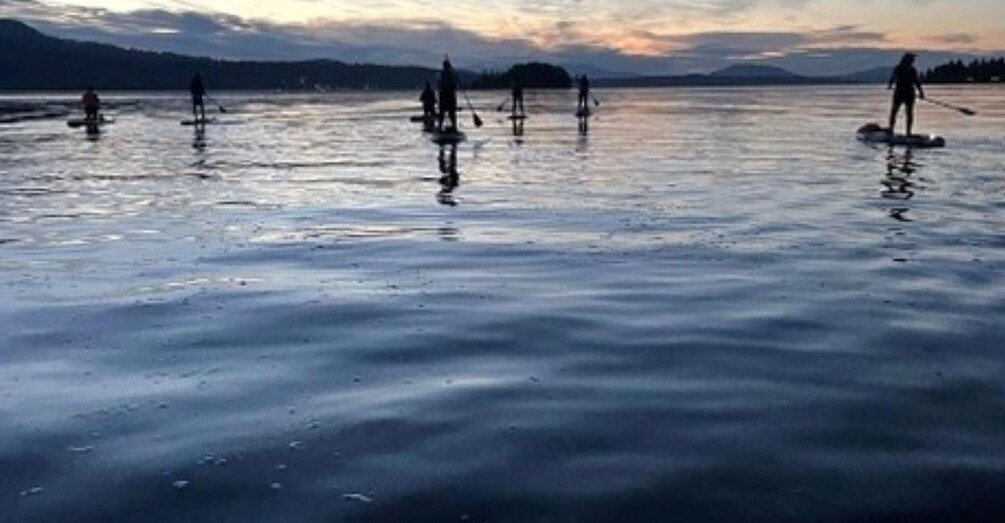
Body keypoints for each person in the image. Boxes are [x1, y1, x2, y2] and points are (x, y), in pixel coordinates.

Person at [888, 53, 925, 136]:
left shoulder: (909, 69)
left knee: (905, 112)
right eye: (912, 59)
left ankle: (906, 132)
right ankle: (893, 130)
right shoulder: (905, 69)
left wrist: (921, 92)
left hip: (906, 92)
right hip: (902, 92)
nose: (913, 61)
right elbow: (893, 77)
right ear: (907, 60)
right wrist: (921, 92)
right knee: (896, 112)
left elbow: (916, 82)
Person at [438, 58, 459, 133]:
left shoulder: (442, 74)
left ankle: (441, 127)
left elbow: (439, 84)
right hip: (447, 95)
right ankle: (452, 127)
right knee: (450, 112)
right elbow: (456, 82)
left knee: (446, 112)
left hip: (445, 95)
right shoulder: (449, 74)